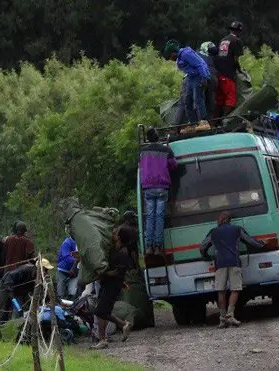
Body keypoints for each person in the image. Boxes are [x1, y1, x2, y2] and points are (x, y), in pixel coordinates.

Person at [199, 212, 266, 328]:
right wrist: (262, 244)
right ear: (229, 220)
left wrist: (206, 256)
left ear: (222, 219)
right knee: (235, 289)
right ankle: (230, 315)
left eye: (218, 218)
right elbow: (250, 241)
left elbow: (202, 247)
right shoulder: (237, 229)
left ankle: (222, 318)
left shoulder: (213, 232)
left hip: (220, 264)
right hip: (234, 262)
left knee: (221, 291)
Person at [91, 224, 134, 350]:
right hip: (108, 284)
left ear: (119, 237)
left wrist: (102, 273)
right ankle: (124, 324)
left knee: (100, 311)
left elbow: (117, 272)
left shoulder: (122, 253)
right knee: (105, 311)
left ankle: (102, 339)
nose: (113, 233)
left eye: (116, 232)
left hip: (112, 285)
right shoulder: (116, 249)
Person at [139, 127, 176, 256]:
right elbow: (173, 165)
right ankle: (158, 247)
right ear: (158, 136)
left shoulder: (142, 151)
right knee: (159, 217)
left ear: (148, 138)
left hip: (148, 187)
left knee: (150, 216)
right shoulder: (166, 150)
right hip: (161, 186)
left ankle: (149, 246)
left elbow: (141, 166)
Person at [163, 39, 211, 126]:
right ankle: (193, 123)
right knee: (187, 101)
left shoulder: (186, 54)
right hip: (190, 77)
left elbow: (200, 64)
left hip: (199, 76)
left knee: (198, 99)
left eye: (170, 55)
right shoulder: (179, 58)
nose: (170, 58)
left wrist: (204, 78)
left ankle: (204, 122)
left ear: (174, 52)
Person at [215, 21, 245, 116]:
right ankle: (224, 120)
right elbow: (235, 59)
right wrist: (239, 70)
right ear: (239, 31)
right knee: (231, 99)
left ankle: (215, 122)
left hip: (218, 73)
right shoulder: (237, 41)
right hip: (228, 74)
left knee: (220, 99)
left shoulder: (223, 40)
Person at [56, 228, 79, 301]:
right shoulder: (67, 243)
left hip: (75, 271)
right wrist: (76, 260)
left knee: (72, 293)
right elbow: (66, 257)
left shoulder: (79, 243)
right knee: (61, 293)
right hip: (63, 270)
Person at [198, 41, 219, 119]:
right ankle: (211, 122)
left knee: (200, 101)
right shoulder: (214, 57)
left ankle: (202, 122)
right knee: (210, 101)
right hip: (213, 79)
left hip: (202, 78)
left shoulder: (197, 55)